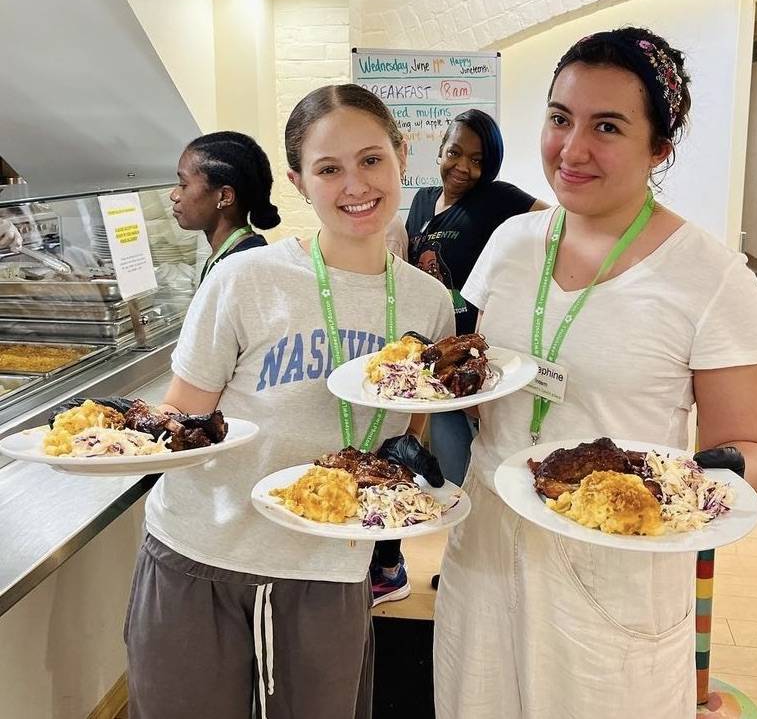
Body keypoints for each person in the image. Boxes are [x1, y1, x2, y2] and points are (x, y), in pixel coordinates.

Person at [433, 28, 757, 719]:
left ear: (660, 148)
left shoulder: (711, 279)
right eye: (560, 118)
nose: (572, 148)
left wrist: (687, 491)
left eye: (607, 126)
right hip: (489, 552)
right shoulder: (510, 244)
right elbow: (479, 383)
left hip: (616, 566)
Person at [124, 85, 454, 719]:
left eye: (370, 160)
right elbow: (186, 420)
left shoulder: (426, 304)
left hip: (329, 568)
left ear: (401, 156)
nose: (354, 184)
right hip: (203, 553)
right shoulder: (244, 279)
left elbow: (401, 444)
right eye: (328, 169)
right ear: (300, 181)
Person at [373, 110, 548, 602]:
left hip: (481, 367)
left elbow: (556, 224)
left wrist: (516, 297)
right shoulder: (423, 200)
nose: (464, 167)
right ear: (440, 150)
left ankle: (501, 576)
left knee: (491, 467)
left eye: (478, 159)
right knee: (456, 475)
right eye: (455, 153)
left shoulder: (499, 198)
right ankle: (468, 569)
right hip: (434, 366)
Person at [169, 131, 280, 282]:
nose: (174, 195)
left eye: (183, 185)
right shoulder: (228, 257)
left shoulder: (242, 269)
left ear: (224, 197)